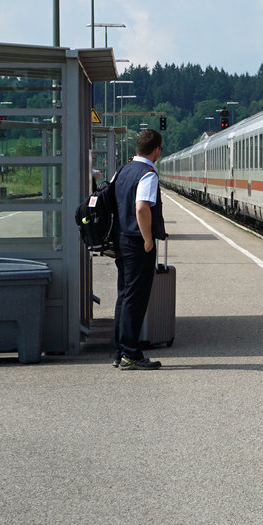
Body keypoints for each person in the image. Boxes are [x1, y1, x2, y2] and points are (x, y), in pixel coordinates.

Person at [112, 129, 168, 370]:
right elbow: (142, 208)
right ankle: (131, 354)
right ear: (157, 150)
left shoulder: (122, 170)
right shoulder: (147, 174)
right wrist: (148, 239)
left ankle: (120, 351)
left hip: (121, 239)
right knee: (136, 298)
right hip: (137, 242)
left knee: (124, 295)